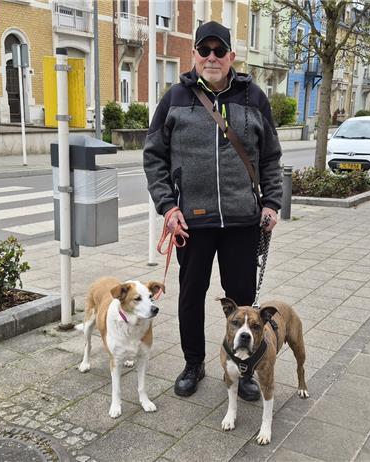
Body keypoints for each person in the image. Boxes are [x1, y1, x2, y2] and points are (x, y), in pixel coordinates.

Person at [143, 21, 283, 401]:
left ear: (231, 56)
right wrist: (168, 207)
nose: (211, 58)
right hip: (193, 221)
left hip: (242, 221)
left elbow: (270, 156)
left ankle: (247, 369)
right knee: (190, 297)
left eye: (219, 51)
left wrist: (271, 202)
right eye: (204, 51)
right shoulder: (175, 98)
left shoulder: (253, 97)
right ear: (194, 56)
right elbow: (154, 157)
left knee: (243, 302)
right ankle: (193, 363)